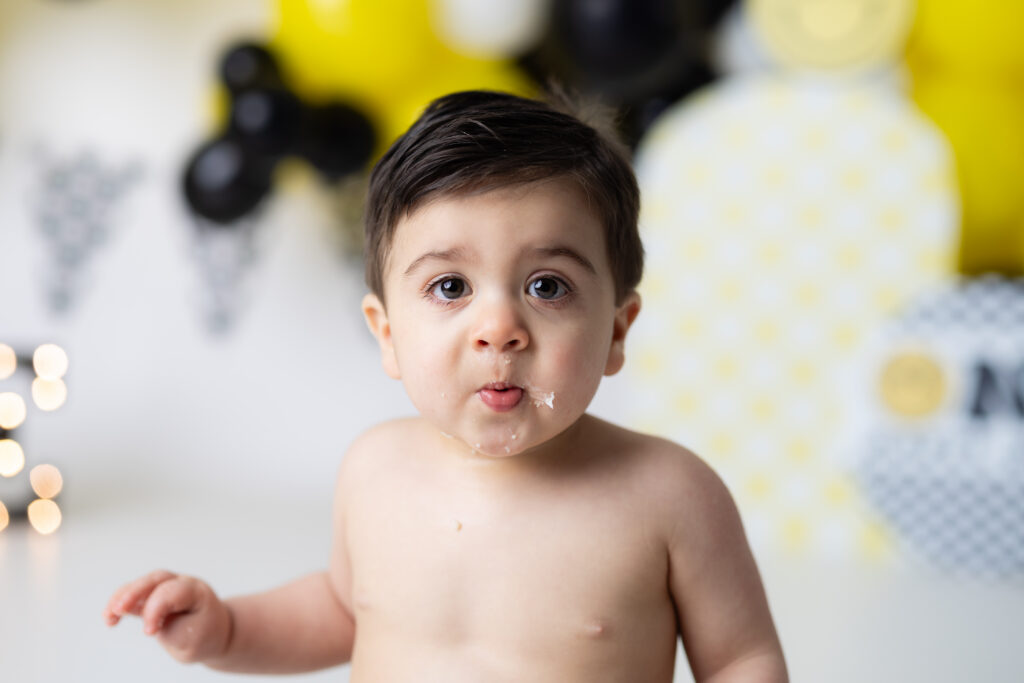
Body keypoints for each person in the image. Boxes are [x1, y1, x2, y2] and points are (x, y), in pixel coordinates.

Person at [104, 89, 787, 682]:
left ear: (616, 330)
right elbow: (345, 608)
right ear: (388, 333)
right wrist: (225, 629)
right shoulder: (375, 469)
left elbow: (740, 660)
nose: (499, 329)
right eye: (449, 286)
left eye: (547, 285)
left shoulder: (668, 496)